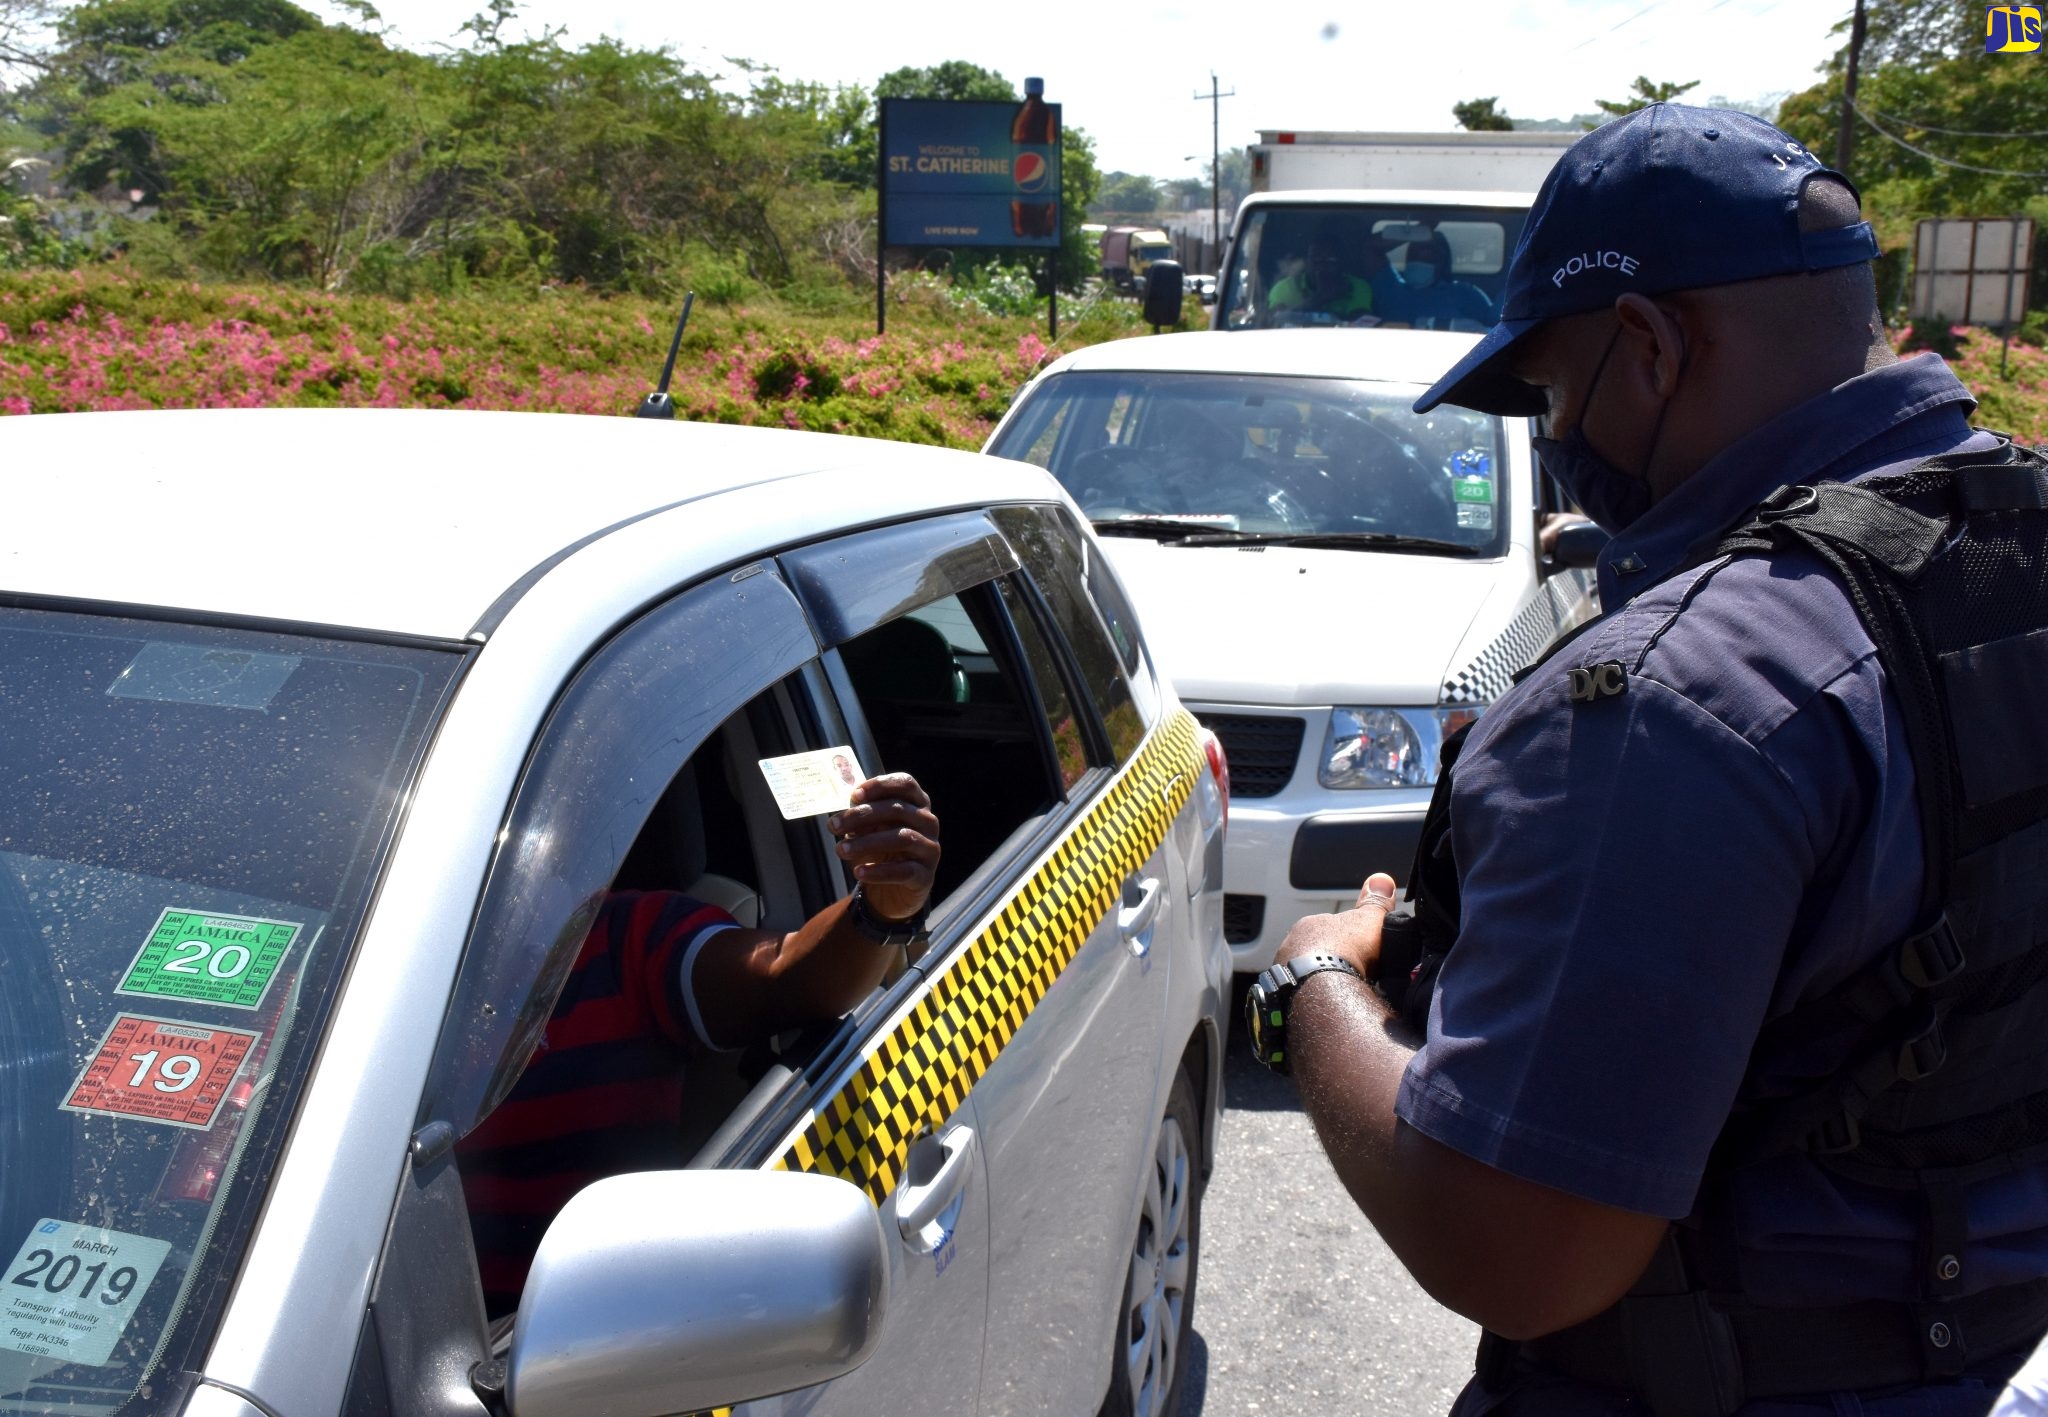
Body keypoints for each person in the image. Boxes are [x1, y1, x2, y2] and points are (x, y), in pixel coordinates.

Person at [1259, 102, 2048, 1414]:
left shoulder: (1670, 703)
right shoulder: (2009, 555)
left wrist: (1311, 993)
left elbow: (1517, 1249)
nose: (1558, 435)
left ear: (1651, 347)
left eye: (1556, 391)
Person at [458, 770, 940, 1316]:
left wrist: (880, 912)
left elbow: (781, 978)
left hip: (593, 1336)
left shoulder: (624, 942)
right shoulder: (366, 985)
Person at [1382, 230, 1495, 331]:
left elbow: (1494, 332)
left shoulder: (1467, 294)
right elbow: (1369, 249)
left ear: (1442, 261)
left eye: (1427, 257)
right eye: (1414, 256)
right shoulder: (1391, 289)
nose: (1419, 262)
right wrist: (1416, 230)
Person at [1268, 225, 1381, 322]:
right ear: (1306, 262)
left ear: (1341, 263)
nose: (1321, 266)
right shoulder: (1286, 288)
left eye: (1330, 260)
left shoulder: (1357, 287)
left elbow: (1360, 326)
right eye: (1315, 260)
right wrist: (1320, 297)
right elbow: (1275, 322)